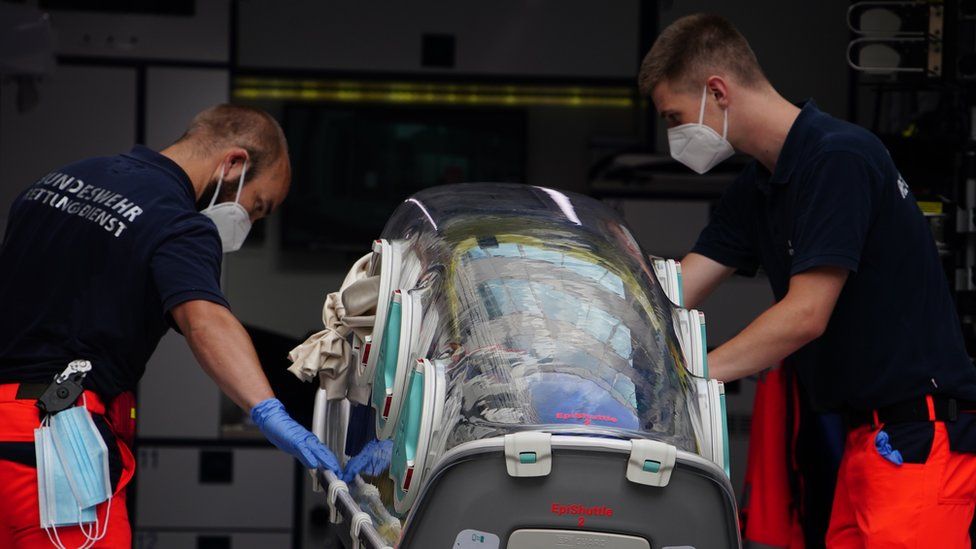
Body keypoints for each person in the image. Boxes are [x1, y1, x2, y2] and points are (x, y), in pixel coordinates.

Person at [639, 14, 976, 548]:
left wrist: (689, 380)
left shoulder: (838, 158)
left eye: (675, 117)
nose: (675, 134)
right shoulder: (762, 185)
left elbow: (805, 314)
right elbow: (677, 287)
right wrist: (598, 333)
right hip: (867, 442)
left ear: (717, 91)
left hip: (917, 442)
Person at [0, 104, 341, 547]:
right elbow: (205, 319)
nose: (249, 224)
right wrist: (269, 411)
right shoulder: (178, 223)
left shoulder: (60, 180)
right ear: (233, 163)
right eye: (257, 207)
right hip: (50, 447)